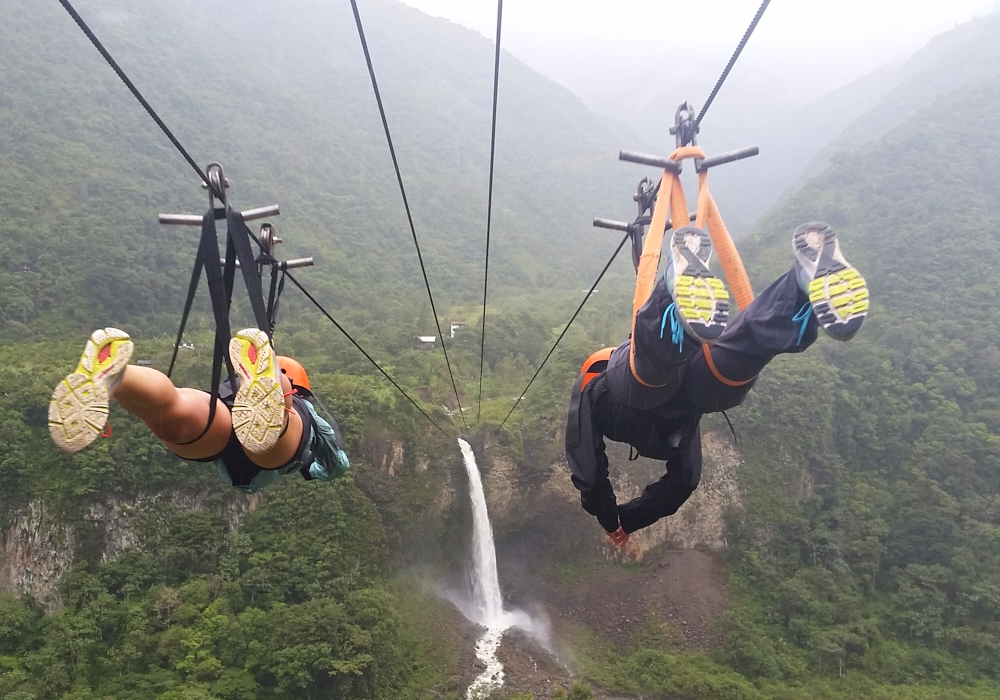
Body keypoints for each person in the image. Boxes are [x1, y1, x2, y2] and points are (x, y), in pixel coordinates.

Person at [565, 222, 869, 547]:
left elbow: (590, 463)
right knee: (732, 355)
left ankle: (674, 293)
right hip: (688, 402)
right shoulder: (673, 422)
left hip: (641, 397)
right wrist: (628, 518)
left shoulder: (594, 385)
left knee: (656, 374)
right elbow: (683, 479)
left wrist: (612, 519)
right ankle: (798, 290)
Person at [48, 327, 349, 493]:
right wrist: (314, 470)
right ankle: (275, 384)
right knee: (277, 431)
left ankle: (120, 379)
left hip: (227, 405)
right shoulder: (307, 407)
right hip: (257, 461)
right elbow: (338, 464)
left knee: (172, 412)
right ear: (302, 387)